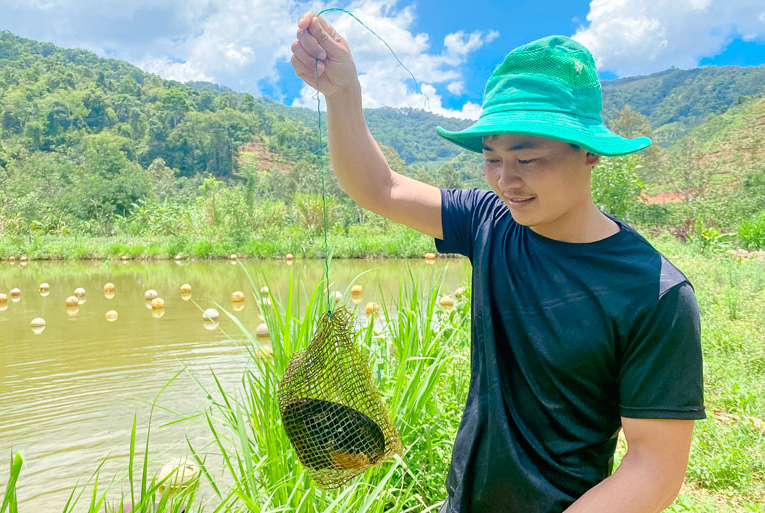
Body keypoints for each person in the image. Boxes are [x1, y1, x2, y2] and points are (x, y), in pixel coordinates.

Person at [290, 12, 705, 513]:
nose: (505, 180)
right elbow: (382, 187)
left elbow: (653, 469)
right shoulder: (490, 220)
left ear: (589, 153)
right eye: (491, 159)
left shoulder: (654, 292)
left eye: (526, 159)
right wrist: (341, 95)